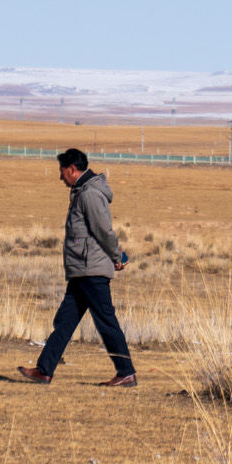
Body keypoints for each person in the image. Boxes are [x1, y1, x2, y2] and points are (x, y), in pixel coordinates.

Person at [16, 148, 136, 386]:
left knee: (106, 321)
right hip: (83, 270)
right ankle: (44, 370)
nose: (61, 177)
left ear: (72, 169)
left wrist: (117, 256)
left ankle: (126, 372)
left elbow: (103, 230)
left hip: (91, 270)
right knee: (66, 321)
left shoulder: (90, 194)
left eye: (62, 172)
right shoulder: (82, 192)